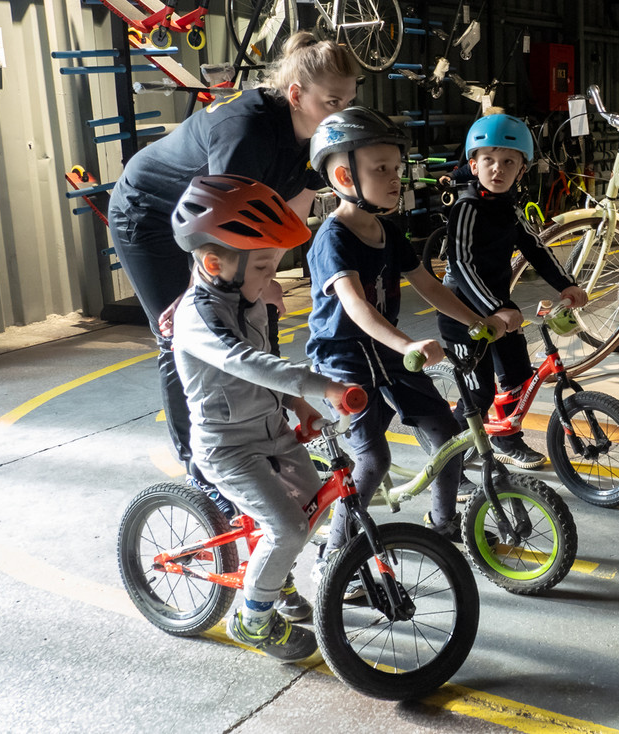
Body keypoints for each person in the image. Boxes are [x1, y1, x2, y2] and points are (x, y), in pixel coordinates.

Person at [107, 32, 359, 488]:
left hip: (209, 221)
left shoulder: (315, 140)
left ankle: (271, 436)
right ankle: (201, 469)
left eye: (348, 102)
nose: (340, 114)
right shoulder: (247, 130)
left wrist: (268, 277)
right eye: (332, 102)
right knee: (184, 331)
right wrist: (194, 293)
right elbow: (217, 226)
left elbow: (291, 219)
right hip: (149, 215)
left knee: (257, 311)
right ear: (297, 95)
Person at [303, 107, 504, 573]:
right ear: (342, 175)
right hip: (344, 359)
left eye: (398, 169)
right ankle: (334, 555)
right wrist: (407, 345)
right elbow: (355, 305)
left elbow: (430, 287)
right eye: (381, 170)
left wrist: (479, 321)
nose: (396, 179)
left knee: (448, 438)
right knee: (372, 460)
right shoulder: (332, 238)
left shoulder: (390, 231)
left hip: (389, 355)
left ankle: (444, 526)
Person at [170, 174, 353, 661]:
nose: (273, 281)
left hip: (272, 430)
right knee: (289, 528)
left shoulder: (245, 298)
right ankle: (251, 622)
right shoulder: (198, 315)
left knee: (311, 506)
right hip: (228, 447)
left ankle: (274, 577)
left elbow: (266, 352)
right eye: (266, 267)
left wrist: (299, 406)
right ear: (214, 264)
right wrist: (322, 385)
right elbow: (244, 361)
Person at [439, 112, 588, 473]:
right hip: (464, 315)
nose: (498, 169)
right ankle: (449, 465)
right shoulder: (467, 208)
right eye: (488, 160)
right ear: (473, 165)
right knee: (478, 395)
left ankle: (505, 437)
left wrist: (566, 283)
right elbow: (461, 265)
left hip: (498, 310)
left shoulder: (509, 208)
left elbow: (537, 248)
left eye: (509, 162)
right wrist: (493, 310)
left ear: (522, 169)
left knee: (518, 376)